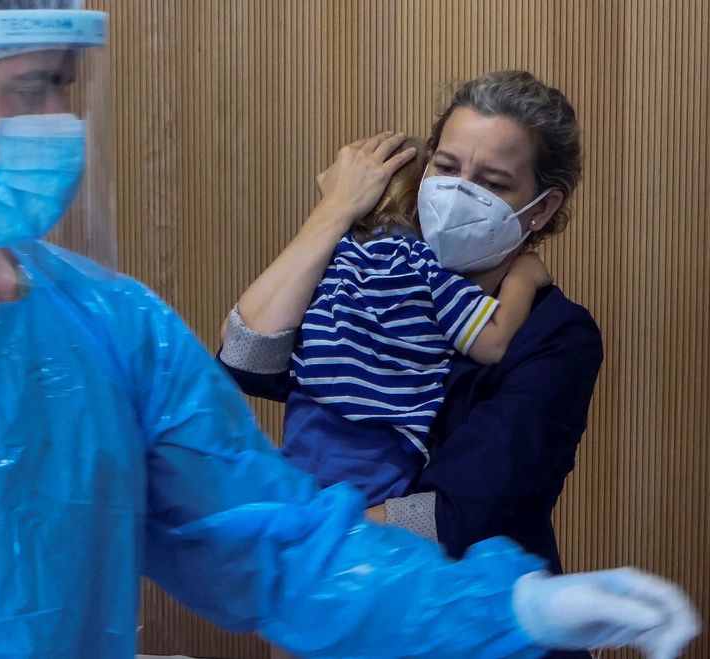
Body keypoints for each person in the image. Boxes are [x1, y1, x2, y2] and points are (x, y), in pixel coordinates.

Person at [0, 3, 698, 656]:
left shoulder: (108, 323)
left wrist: (508, 608)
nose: (61, 122)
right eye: (32, 88)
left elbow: (272, 541)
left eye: (67, 87)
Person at [220, 71, 688, 657]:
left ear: (542, 209)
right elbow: (247, 359)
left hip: (484, 625)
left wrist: (312, 546)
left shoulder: (555, 336)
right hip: (350, 611)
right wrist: (334, 211)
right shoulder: (383, 273)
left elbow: (457, 513)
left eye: (493, 182)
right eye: (445, 167)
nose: (459, 193)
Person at [280, 134, 554, 506]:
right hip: (378, 447)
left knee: (300, 516)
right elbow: (492, 343)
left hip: (305, 430)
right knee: (356, 528)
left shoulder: (334, 258)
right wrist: (524, 279)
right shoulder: (419, 265)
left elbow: (250, 348)